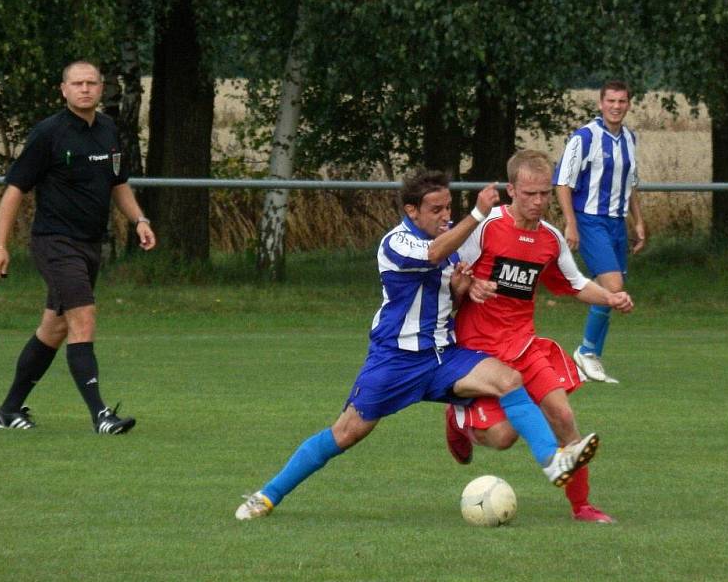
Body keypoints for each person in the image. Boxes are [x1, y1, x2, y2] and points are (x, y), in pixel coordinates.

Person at [235, 169, 599, 521]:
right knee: (344, 434)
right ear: (412, 211)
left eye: (448, 209)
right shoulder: (398, 242)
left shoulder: (452, 248)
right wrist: (477, 214)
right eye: (436, 210)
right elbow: (432, 255)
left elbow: (452, 293)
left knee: (509, 380)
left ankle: (553, 462)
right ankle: (268, 495)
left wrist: (466, 288)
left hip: (443, 356)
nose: (445, 216)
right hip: (395, 362)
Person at [445, 149, 633, 523]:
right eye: (530, 194)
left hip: (525, 345)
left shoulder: (549, 239)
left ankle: (582, 506)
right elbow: (452, 270)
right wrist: (470, 285)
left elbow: (576, 283)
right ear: (511, 190)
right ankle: (457, 419)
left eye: (545, 193)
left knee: (562, 415)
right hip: (479, 352)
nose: (539, 201)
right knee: (502, 438)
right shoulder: (487, 227)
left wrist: (609, 296)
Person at [0, 60, 156, 434]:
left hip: (89, 245)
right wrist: (0, 246)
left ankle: (8, 411)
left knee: (54, 328)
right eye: (77, 83)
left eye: (91, 83)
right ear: (63, 90)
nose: (85, 89)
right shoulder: (49, 133)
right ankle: (101, 415)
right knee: (84, 318)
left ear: (101, 89)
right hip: (54, 242)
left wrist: (139, 220)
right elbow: (15, 190)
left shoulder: (109, 129)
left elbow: (118, 183)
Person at [553, 80, 645, 384]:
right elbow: (563, 182)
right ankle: (586, 352)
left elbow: (630, 184)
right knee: (614, 286)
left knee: (609, 291)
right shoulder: (585, 138)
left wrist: (638, 221)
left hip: (617, 223)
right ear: (601, 103)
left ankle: (589, 358)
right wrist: (571, 223)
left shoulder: (629, 138)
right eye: (611, 101)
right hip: (590, 220)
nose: (616, 107)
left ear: (628, 104)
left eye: (622, 101)